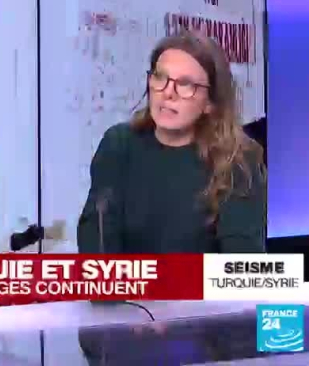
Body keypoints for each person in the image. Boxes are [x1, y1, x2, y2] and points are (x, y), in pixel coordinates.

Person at [77, 31, 266, 254]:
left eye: (185, 84)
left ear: (210, 103)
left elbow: (242, 261)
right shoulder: (118, 145)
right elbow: (96, 235)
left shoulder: (238, 160)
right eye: (160, 77)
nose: (168, 93)